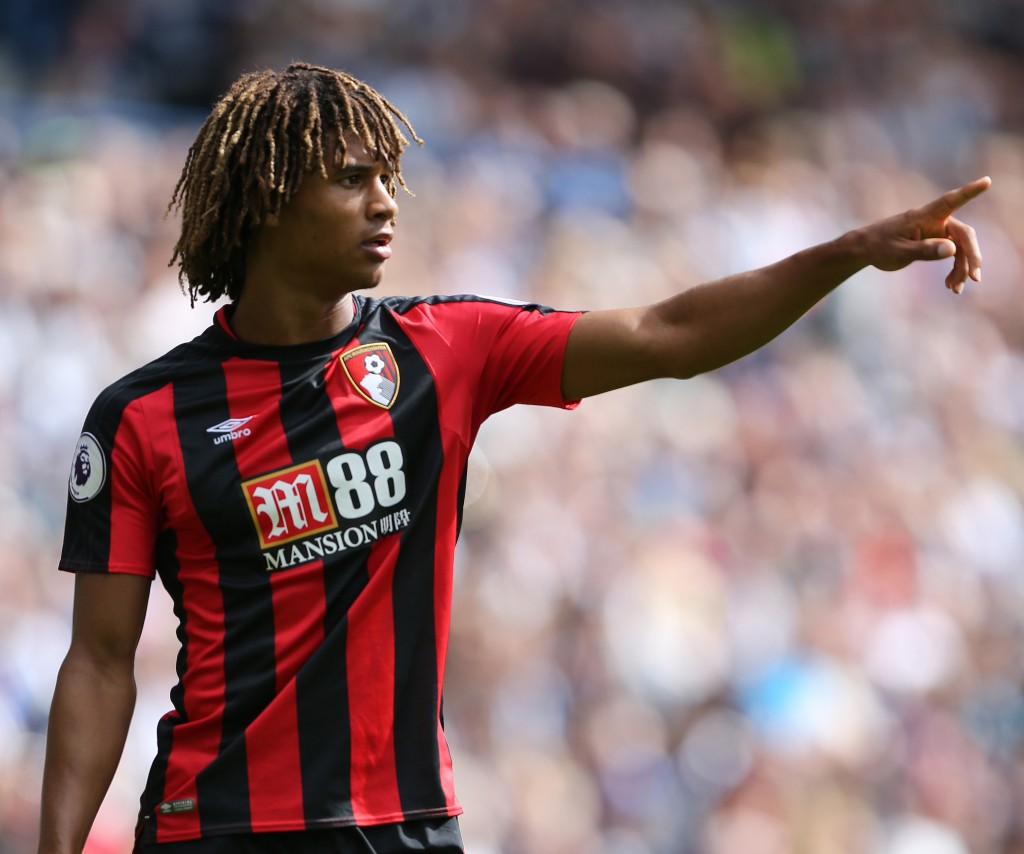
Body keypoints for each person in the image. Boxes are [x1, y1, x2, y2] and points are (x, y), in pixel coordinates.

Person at [37, 61, 990, 854]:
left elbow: (670, 335)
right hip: (222, 826)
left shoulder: (443, 348)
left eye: (389, 181)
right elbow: (99, 660)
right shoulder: (142, 417)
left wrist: (849, 252)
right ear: (270, 199)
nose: (385, 204)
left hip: (406, 823)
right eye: (353, 179)